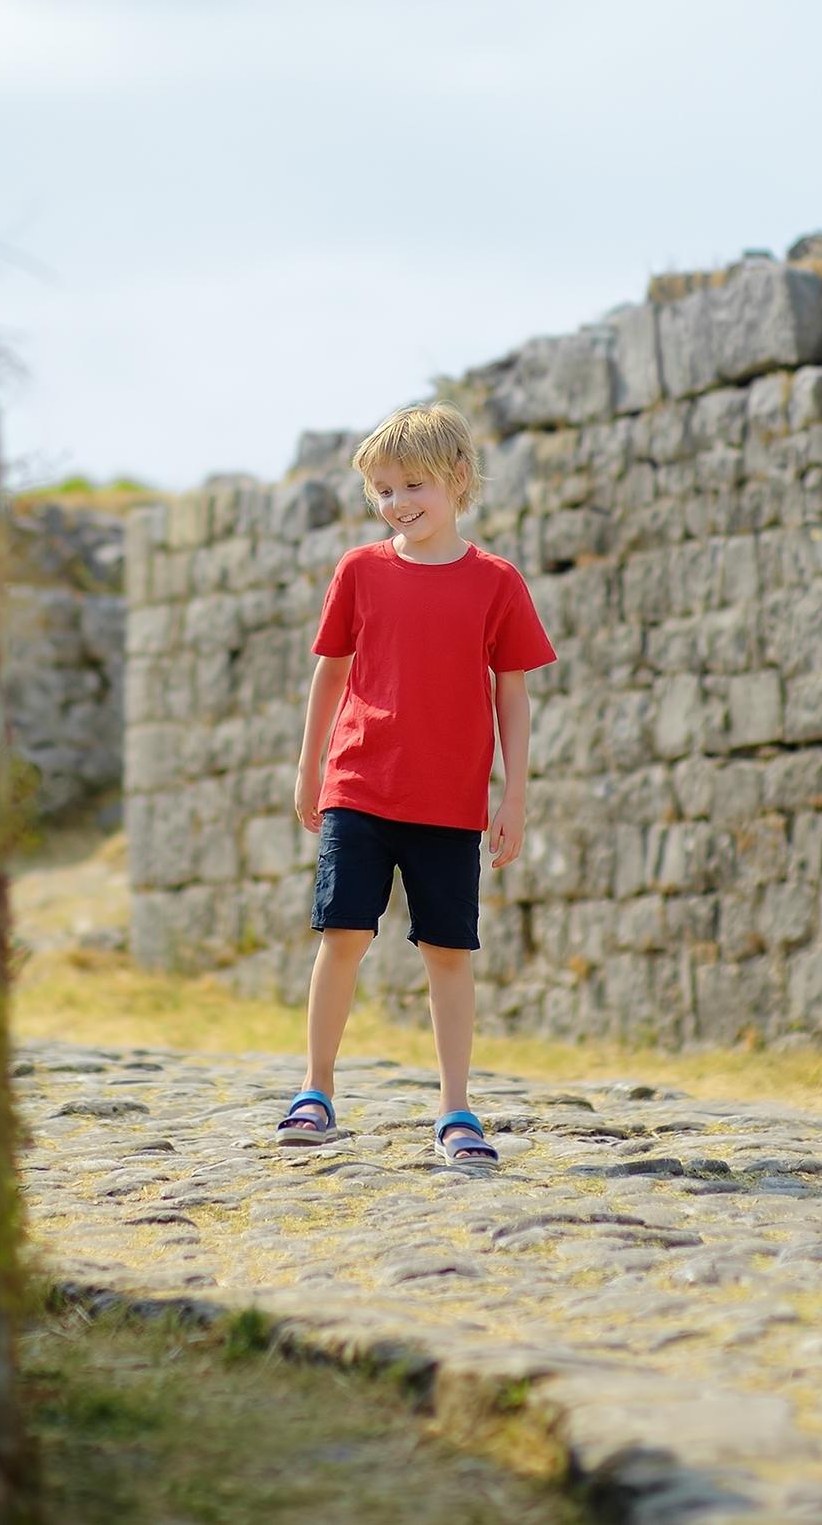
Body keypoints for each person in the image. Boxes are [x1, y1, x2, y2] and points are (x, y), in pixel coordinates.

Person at [273, 402, 555, 1165]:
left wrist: (515, 797)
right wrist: (310, 769)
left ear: (459, 480)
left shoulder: (497, 583)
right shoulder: (359, 571)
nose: (399, 504)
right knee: (344, 936)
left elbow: (513, 696)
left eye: (415, 485)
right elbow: (329, 676)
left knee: (449, 952)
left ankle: (456, 1110)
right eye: (385, 490)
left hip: (450, 801)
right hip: (359, 785)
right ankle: (315, 1089)